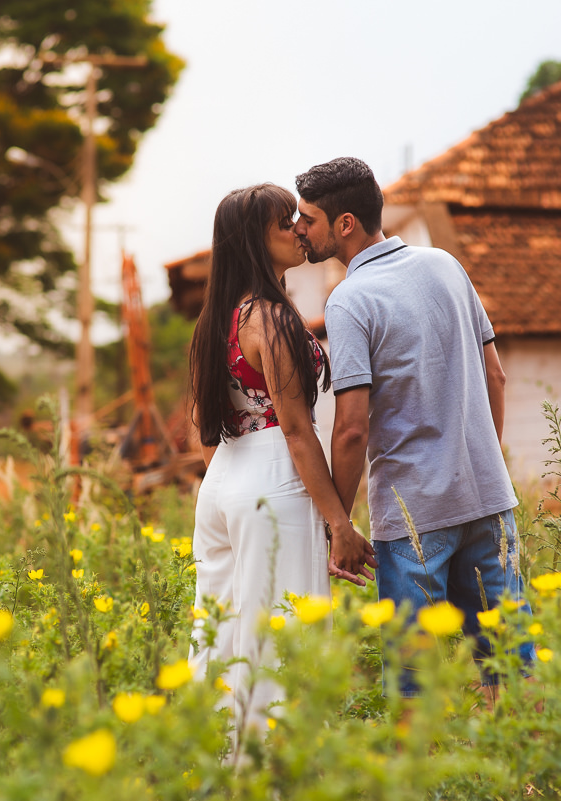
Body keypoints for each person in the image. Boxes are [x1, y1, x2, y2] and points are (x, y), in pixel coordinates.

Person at [293, 156, 533, 697]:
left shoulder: (350, 300)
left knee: (412, 682)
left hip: (412, 518)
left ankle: (417, 782)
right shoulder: (445, 264)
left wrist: (340, 525)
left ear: (345, 223)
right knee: (512, 664)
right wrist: (475, 459)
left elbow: (351, 429)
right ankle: (531, 779)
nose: (298, 229)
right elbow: (495, 374)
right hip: (489, 499)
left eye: (307, 218)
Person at [187, 183, 366, 730]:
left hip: (222, 482)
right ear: (253, 241)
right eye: (282, 222)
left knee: (221, 639)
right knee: (283, 645)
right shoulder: (273, 319)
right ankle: (278, 781)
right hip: (272, 481)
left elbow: (205, 430)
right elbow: (294, 428)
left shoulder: (217, 321)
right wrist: (340, 521)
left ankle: (213, 771)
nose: (295, 229)